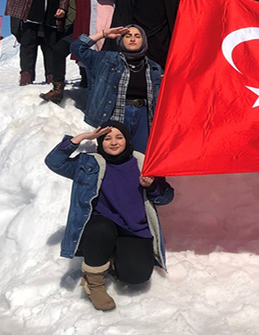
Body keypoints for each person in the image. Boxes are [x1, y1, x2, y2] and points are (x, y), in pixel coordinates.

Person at [44, 121, 174, 311]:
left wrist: (152, 186)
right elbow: (54, 162)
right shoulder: (89, 163)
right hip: (102, 225)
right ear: (100, 142)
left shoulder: (143, 162)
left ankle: (111, 256)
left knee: (136, 276)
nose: (113, 142)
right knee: (100, 229)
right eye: (107, 138)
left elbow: (166, 197)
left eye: (119, 137)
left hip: (134, 229)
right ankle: (94, 284)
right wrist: (80, 139)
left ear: (127, 140)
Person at [70, 25, 162, 153]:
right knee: (116, 155)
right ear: (120, 40)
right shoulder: (106, 59)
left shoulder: (154, 67)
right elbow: (77, 47)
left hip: (144, 116)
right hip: (115, 114)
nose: (132, 39)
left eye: (137, 36)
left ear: (144, 40)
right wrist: (104, 34)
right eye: (128, 36)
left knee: (142, 157)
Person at [44, 0, 111, 102]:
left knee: (97, 75)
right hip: (84, 33)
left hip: (107, 34)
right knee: (59, 49)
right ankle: (58, 88)